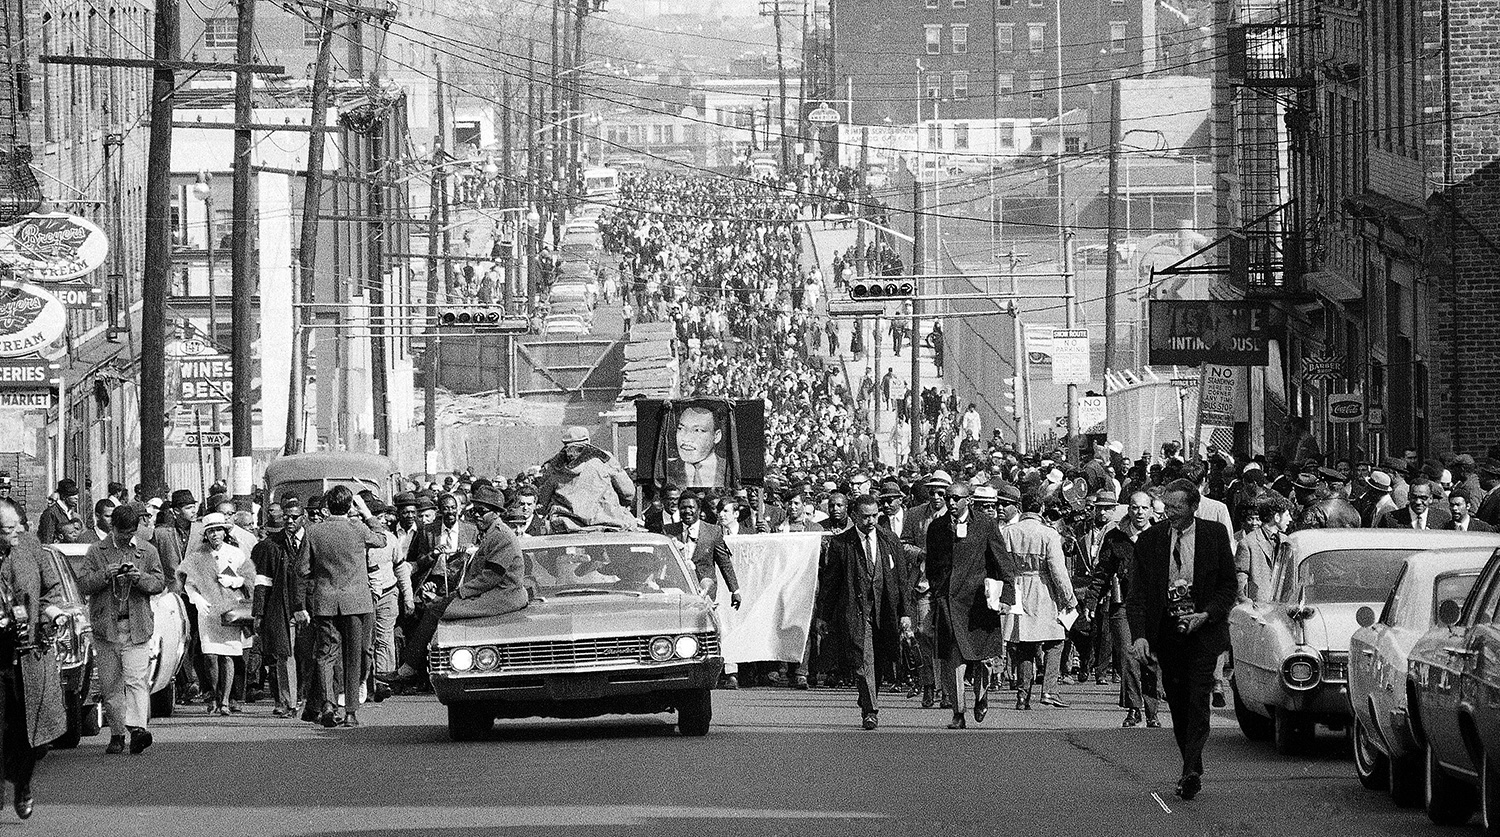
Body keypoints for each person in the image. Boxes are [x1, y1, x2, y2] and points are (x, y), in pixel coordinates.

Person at [1128, 479, 1237, 801]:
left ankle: (1190, 770)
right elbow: (1137, 594)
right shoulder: (1150, 539)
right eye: (1167, 507)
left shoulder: (1214, 535)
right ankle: (1192, 763)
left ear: (1194, 506)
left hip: (1203, 631)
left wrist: (1207, 614)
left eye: (1177, 507)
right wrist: (1140, 636)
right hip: (1167, 633)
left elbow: (1228, 586)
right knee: (1177, 701)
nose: (1170, 513)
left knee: (1197, 697)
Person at [380, 485, 530, 689]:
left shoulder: (502, 536)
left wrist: (460, 592)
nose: (476, 515)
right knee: (434, 608)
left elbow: (491, 577)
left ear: (496, 513)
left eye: (481, 511)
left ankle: (411, 670)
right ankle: (413, 669)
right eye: (474, 511)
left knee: (437, 611)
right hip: (490, 593)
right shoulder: (492, 533)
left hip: (502, 596)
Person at [814, 495, 913, 729]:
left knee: (879, 659)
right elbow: (830, 583)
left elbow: (901, 579)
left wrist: (905, 613)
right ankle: (870, 711)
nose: (871, 521)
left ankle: (868, 695)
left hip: (884, 608)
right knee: (862, 656)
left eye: (874, 516)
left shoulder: (889, 540)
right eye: (866, 517)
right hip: (856, 610)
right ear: (854, 516)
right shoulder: (841, 544)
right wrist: (823, 616)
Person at [924, 481, 1015, 729]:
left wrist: (1006, 597)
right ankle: (958, 712)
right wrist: (938, 591)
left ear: (968, 501)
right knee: (953, 658)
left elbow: (1003, 562)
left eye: (956, 498)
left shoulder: (985, 525)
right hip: (949, 602)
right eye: (948, 498)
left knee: (982, 657)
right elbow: (932, 565)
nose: (951, 502)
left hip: (978, 603)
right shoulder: (937, 527)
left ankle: (981, 696)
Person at [293, 487, 385, 728]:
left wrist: (300, 603)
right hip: (357, 602)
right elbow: (381, 539)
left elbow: (301, 570)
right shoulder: (359, 528)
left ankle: (328, 704)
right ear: (350, 506)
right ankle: (351, 712)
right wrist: (367, 513)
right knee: (354, 656)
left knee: (326, 654)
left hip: (325, 601)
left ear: (327, 506)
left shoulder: (313, 531)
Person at [78, 504, 166, 753]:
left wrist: (139, 578)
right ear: (113, 527)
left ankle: (138, 730)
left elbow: (159, 582)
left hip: (136, 625)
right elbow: (83, 584)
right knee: (111, 684)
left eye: (131, 532)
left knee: (136, 679)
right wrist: (105, 574)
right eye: (123, 532)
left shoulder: (147, 551)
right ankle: (117, 733)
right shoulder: (97, 551)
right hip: (107, 628)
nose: (127, 537)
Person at [1086, 491, 1160, 728]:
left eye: (1144, 508)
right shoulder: (1115, 537)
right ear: (1128, 510)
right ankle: (1134, 708)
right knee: (1129, 656)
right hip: (1124, 606)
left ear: (1151, 511)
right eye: (1135, 508)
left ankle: (1152, 711)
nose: (1139, 512)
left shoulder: (1161, 535)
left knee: (1150, 658)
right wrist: (1091, 602)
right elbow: (1102, 573)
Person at [1002, 490, 1078, 709]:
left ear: (1021, 507)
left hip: (1017, 588)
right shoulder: (1049, 534)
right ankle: (1049, 690)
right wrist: (1069, 598)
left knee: (1025, 642)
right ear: (1042, 509)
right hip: (1043, 589)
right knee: (1056, 639)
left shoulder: (1009, 532)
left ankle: (1022, 694)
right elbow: (1058, 571)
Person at [663, 491, 743, 687]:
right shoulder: (668, 531)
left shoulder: (713, 531)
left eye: (691, 507)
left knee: (709, 630)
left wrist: (735, 590)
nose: (687, 511)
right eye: (683, 507)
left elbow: (724, 562)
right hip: (678, 592)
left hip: (705, 592)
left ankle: (720, 672)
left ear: (698, 510)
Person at [180, 513, 257, 716]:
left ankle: (225, 701)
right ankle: (214, 694)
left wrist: (237, 581)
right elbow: (189, 584)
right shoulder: (197, 556)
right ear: (206, 534)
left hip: (229, 610)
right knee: (211, 655)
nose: (215, 534)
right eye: (211, 531)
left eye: (219, 530)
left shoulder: (236, 553)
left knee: (228, 655)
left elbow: (250, 578)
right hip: (207, 611)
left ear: (225, 532)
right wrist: (196, 599)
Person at [251, 497, 305, 718]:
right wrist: (259, 612)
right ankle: (289, 702)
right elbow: (262, 582)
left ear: (303, 518)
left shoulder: (312, 541)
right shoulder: (271, 545)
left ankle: (311, 700)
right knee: (285, 655)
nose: (290, 521)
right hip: (282, 606)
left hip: (310, 605)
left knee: (311, 656)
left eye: (294, 517)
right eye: (286, 517)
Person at [1236, 494, 1292, 602]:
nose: (1290, 519)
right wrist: (1247, 603)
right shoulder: (1247, 543)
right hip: (1258, 606)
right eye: (1287, 515)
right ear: (1276, 517)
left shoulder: (1287, 542)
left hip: (1282, 605)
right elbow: (1240, 578)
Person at [667, 406, 730, 489]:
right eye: (681, 429)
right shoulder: (665, 470)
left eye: (697, 430)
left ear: (716, 436)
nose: (686, 438)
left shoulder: (730, 469)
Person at [1376, 479, 1451, 529]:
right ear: (1408, 496)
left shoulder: (1443, 519)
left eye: (1423, 498)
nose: (1418, 502)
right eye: (1414, 497)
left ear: (1430, 498)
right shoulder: (1390, 519)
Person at [36, 479, 82, 545]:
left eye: (76, 494)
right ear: (63, 496)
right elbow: (47, 541)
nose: (76, 497)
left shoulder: (72, 514)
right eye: (72, 495)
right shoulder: (51, 513)